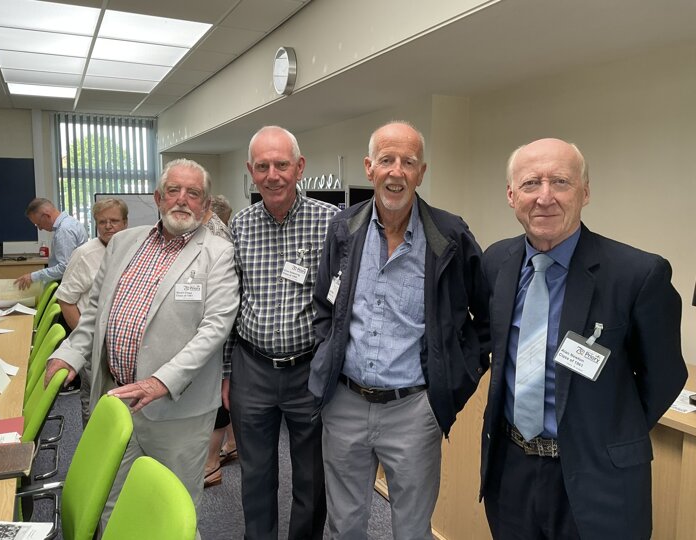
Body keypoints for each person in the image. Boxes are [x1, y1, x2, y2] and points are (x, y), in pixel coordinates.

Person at [480, 138, 687, 539]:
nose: (545, 197)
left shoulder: (637, 274)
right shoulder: (497, 262)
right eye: (530, 183)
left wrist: (609, 433)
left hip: (598, 477)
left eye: (560, 182)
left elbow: (664, 377)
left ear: (585, 192)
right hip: (511, 470)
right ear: (511, 195)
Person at [309, 121, 490, 539]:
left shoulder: (450, 236)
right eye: (387, 160)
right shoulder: (344, 228)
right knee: (344, 526)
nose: (397, 172)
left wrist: (452, 386)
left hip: (414, 411)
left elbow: (485, 319)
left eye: (408, 162)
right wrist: (326, 358)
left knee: (411, 530)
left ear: (421, 173)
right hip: (345, 403)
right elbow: (324, 306)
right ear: (369, 168)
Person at [45, 158, 239, 536]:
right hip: (116, 396)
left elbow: (215, 329)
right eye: (173, 190)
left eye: (193, 193)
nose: (182, 199)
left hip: (177, 409)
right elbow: (95, 312)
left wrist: (161, 381)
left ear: (205, 205)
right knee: (111, 500)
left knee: (173, 511)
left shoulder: (219, 252)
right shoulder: (123, 243)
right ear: (158, 197)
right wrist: (70, 353)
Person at [225, 125, 336, 539]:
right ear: (250, 171)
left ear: (299, 167)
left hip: (308, 370)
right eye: (262, 166)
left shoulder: (331, 222)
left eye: (281, 165)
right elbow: (229, 304)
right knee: (255, 474)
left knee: (312, 477)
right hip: (251, 369)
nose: (272, 175)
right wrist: (226, 373)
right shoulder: (239, 225)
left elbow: (342, 302)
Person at [54, 198, 128, 426]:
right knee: (94, 401)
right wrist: (87, 342)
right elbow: (66, 300)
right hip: (94, 344)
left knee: (124, 401)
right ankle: (92, 442)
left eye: (114, 220)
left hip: (123, 345)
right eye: (102, 222)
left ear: (125, 223)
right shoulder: (84, 254)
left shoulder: (134, 250)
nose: (108, 226)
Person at [201, 194, 238, 487]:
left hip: (218, 334)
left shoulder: (215, 235)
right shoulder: (221, 230)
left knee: (218, 397)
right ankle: (233, 445)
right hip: (226, 333)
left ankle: (211, 464)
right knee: (227, 395)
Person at [15, 198, 88, 290]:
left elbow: (64, 268)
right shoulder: (70, 223)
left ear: (46, 216)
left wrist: (33, 276)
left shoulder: (64, 230)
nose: (40, 228)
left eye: (38, 224)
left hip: (70, 286)